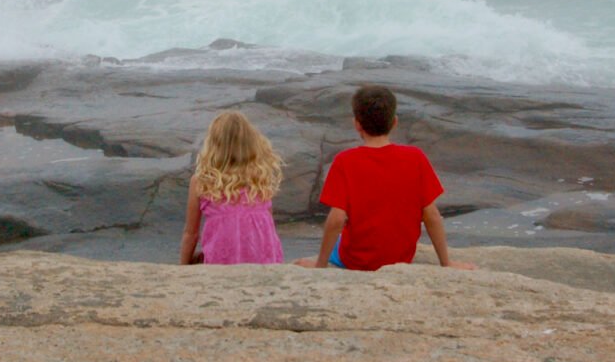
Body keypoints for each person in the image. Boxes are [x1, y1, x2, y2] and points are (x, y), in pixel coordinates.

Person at [296, 84, 475, 271]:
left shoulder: (345, 161)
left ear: (357, 124)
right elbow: (431, 215)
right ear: (394, 122)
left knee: (339, 242)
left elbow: (337, 219)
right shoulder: (415, 157)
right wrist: (446, 263)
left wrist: (320, 265)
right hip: (400, 258)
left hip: (357, 261)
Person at [179, 111, 285, 265]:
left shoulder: (202, 182)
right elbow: (268, 226)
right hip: (264, 260)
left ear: (214, 145)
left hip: (222, 261)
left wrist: (182, 268)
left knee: (199, 257)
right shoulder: (259, 179)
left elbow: (191, 234)